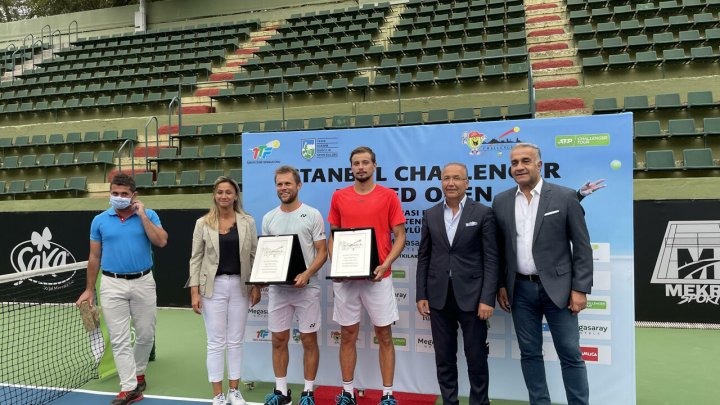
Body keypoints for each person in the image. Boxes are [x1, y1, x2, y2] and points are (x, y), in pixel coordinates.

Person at [492, 143, 593, 405]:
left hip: (559, 289)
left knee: (570, 353)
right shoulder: (501, 201)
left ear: (539, 165)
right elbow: (501, 250)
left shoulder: (564, 197)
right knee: (530, 354)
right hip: (520, 291)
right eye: (514, 162)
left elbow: (582, 246)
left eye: (526, 161)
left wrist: (580, 288)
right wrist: (502, 285)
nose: (519, 167)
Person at [76, 173, 168, 405]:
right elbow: (94, 256)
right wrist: (89, 290)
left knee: (146, 334)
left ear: (134, 196)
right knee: (119, 339)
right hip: (111, 284)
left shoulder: (149, 215)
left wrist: (143, 216)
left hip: (143, 281)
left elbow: (161, 241)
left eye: (124, 194)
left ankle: (138, 373)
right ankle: (129, 388)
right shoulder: (99, 221)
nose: (118, 197)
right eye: (115, 193)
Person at [327, 146, 406, 405]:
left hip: (378, 278)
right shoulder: (339, 196)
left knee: (384, 335)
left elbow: (401, 236)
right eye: (356, 163)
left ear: (374, 166)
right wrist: (335, 265)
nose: (360, 167)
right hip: (347, 280)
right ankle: (348, 392)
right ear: (351, 167)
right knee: (347, 334)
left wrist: (386, 264)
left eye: (365, 163)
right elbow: (333, 236)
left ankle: (387, 395)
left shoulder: (389, 196)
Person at [416, 162, 499, 405]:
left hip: (473, 299)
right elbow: (424, 256)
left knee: (476, 358)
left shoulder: (483, 213)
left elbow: (491, 258)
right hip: (438, 297)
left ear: (467, 182)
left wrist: (487, 298)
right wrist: (421, 294)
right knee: (444, 358)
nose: (450, 183)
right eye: (446, 178)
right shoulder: (430, 214)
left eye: (456, 178)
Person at [187, 176, 261, 405]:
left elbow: (254, 255)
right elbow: (195, 259)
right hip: (213, 288)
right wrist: (194, 292)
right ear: (214, 195)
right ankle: (218, 395)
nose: (224, 196)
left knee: (236, 341)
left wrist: (256, 285)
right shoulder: (203, 223)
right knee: (216, 341)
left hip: (241, 286)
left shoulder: (247, 221)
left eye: (228, 192)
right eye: (220, 192)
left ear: (236, 195)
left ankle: (234, 391)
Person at [261, 165, 328, 405]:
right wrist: (264, 275)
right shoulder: (269, 218)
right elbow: (269, 254)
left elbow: (323, 251)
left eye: (288, 183)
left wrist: (307, 273)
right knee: (278, 339)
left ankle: (308, 392)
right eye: (279, 184)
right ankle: (282, 392)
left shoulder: (312, 214)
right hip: (279, 290)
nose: (283, 188)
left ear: (298, 185)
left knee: (309, 341)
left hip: (307, 288)